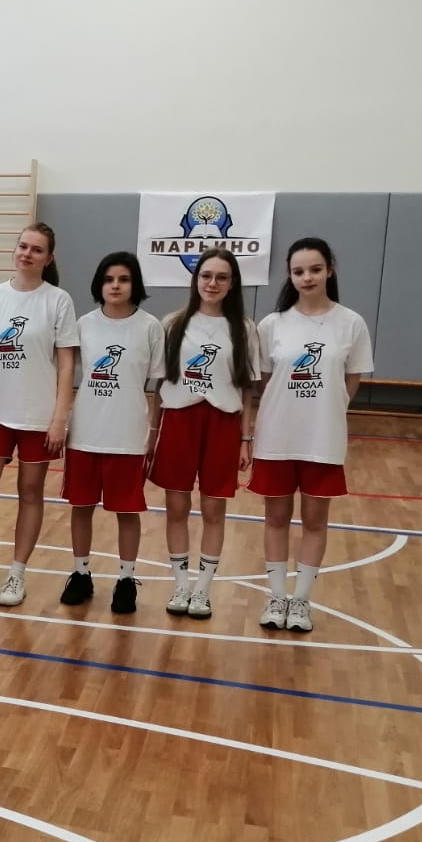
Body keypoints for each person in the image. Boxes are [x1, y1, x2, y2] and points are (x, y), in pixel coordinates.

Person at [250, 237, 373, 632]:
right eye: (299, 271)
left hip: (323, 437)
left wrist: (328, 408)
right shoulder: (272, 325)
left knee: (316, 521)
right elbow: (264, 382)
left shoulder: (351, 323)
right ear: (290, 275)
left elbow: (352, 379)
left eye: (315, 269)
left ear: (329, 270)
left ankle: (301, 601)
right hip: (277, 437)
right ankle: (276, 598)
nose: (307, 277)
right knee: (276, 518)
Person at [0, 223, 77, 606]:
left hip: (38, 416)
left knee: (30, 493)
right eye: (23, 246)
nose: (27, 254)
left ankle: (17, 574)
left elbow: (66, 364)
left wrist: (59, 417)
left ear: (49, 258)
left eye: (36, 249)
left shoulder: (58, 301)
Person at [149, 247, 260, 619]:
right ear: (196, 280)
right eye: (206, 276)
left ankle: (203, 590)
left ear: (232, 283)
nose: (212, 283)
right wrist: (152, 433)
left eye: (221, 277)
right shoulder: (173, 324)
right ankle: (181, 585)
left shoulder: (244, 329)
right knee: (176, 507)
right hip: (179, 420)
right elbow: (159, 384)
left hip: (222, 424)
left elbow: (247, 389)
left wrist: (245, 439)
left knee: (213, 509)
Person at [60, 252, 165, 613]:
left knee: (127, 511)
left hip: (128, 434)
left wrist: (154, 431)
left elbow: (158, 386)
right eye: (108, 279)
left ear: (135, 284)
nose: (115, 286)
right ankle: (81, 573)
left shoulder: (150, 327)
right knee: (81, 507)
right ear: (99, 285)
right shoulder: (84, 324)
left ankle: (126, 580)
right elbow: (67, 374)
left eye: (123, 279)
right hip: (86, 431)